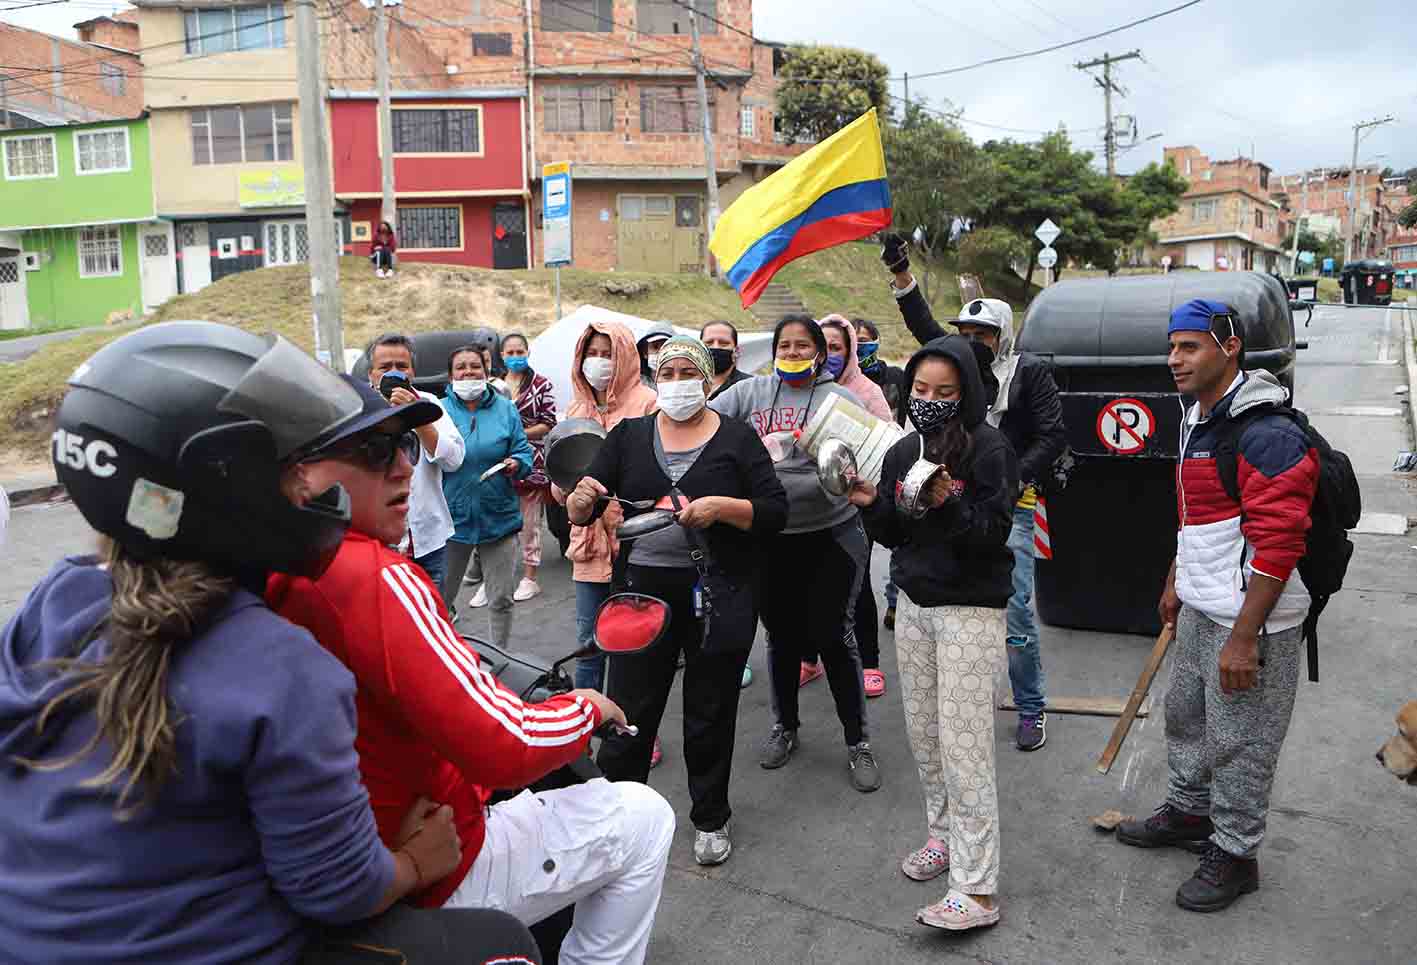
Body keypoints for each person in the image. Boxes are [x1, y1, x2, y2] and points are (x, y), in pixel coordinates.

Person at [0, 322, 538, 964]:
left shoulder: (60, 596)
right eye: (289, 468)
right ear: (220, 486)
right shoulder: (282, 668)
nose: (312, 487)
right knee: (503, 944)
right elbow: (337, 890)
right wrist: (416, 864)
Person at [268, 374, 674, 965]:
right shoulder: (373, 575)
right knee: (644, 818)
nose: (404, 468)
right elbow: (502, 743)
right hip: (433, 862)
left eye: (405, 448)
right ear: (299, 470)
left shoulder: (263, 570)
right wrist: (584, 707)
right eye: (374, 451)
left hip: (350, 855)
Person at [1117, 300, 1318, 913]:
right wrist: (1178, 577)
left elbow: (1281, 540)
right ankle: (1190, 812)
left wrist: (1244, 638)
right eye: (1172, 347)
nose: (1174, 360)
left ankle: (1235, 854)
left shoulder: (1267, 432)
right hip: (1208, 605)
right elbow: (1200, 515)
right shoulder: (1198, 417)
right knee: (1188, 716)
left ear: (1229, 348)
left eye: (1190, 347)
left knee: (1241, 741)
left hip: (1254, 620)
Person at [568, 336, 788, 867]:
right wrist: (580, 500)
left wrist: (725, 508)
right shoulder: (629, 435)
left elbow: (773, 510)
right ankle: (617, 818)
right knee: (629, 708)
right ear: (654, 378)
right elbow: (590, 492)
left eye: (689, 372)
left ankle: (710, 817)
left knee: (710, 708)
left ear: (708, 379)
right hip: (642, 593)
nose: (677, 383)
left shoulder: (736, 438)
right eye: (667, 374)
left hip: (719, 592)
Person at [848, 334, 1017, 932]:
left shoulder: (990, 449)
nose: (930, 400)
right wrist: (871, 503)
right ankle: (943, 838)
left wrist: (949, 501)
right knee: (925, 737)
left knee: (965, 745)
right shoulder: (902, 450)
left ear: (966, 392)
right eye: (920, 389)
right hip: (915, 608)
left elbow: (991, 535)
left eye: (945, 391)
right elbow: (895, 535)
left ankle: (977, 889)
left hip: (970, 611)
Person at [882, 234, 1066, 752]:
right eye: (965, 332)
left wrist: (1010, 477)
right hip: (946, 496)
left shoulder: (1028, 372)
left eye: (983, 333)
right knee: (948, 599)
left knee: (1018, 609)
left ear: (1003, 334)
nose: (972, 340)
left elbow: (1053, 435)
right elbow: (925, 331)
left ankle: (1030, 707)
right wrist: (902, 276)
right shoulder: (956, 373)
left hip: (1012, 503)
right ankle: (963, 700)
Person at [709, 314, 880, 793]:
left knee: (833, 636)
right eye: (784, 344)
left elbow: (874, 455)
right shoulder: (752, 394)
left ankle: (857, 742)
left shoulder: (839, 400)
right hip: (771, 537)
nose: (792, 352)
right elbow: (704, 420)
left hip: (833, 533)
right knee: (781, 637)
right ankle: (785, 728)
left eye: (803, 346)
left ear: (820, 353)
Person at [554, 320, 659, 691]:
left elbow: (658, 474)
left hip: (633, 543)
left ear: (626, 357)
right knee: (588, 641)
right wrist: (569, 490)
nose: (598, 362)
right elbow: (560, 487)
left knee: (632, 641)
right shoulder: (575, 408)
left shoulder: (647, 403)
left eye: (607, 355)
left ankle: (634, 730)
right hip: (587, 544)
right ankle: (587, 724)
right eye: (591, 354)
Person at [816, 314, 893, 698]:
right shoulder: (799, 390)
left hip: (857, 505)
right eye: (822, 346)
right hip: (812, 507)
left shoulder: (867, 391)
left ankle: (871, 661)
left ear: (848, 351)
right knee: (812, 586)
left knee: (856, 585)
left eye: (836, 348)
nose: (828, 354)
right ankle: (809, 659)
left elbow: (886, 444)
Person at [438, 346, 534, 646]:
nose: (468, 372)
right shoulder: (438, 411)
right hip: (452, 521)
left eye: (474, 367)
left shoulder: (506, 409)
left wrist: (517, 463)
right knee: (439, 601)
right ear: (451, 375)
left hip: (499, 517)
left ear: (486, 371)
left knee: (501, 598)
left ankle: (500, 660)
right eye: (461, 368)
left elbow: (523, 450)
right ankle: (444, 658)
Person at [365, 333, 465, 591]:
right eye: (385, 368)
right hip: (378, 543)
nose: (394, 373)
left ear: (413, 371)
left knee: (435, 617)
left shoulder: (429, 403)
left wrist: (418, 417)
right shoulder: (359, 409)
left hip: (429, 541)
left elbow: (454, 460)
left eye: (401, 366)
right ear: (370, 373)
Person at [854, 316, 907, 631]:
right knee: (861, 545)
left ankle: (895, 601)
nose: (861, 347)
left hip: (894, 467)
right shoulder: (842, 382)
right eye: (855, 341)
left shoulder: (895, 378)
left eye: (866, 340)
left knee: (900, 541)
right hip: (860, 475)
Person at [501, 332, 557, 602]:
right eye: (509, 353)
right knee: (500, 522)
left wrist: (519, 436)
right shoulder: (494, 386)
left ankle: (529, 577)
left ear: (527, 352)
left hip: (530, 461)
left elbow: (548, 422)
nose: (515, 357)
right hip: (497, 463)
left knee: (529, 523)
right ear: (501, 355)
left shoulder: (541, 385)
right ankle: (497, 575)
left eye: (519, 351)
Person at [702, 319, 753, 400]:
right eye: (709, 343)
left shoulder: (751, 387)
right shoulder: (687, 384)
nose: (716, 347)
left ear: (736, 351)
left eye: (724, 343)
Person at [636, 321, 675, 389]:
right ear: (645, 353)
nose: (660, 352)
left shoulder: (680, 383)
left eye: (665, 347)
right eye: (655, 347)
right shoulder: (637, 383)